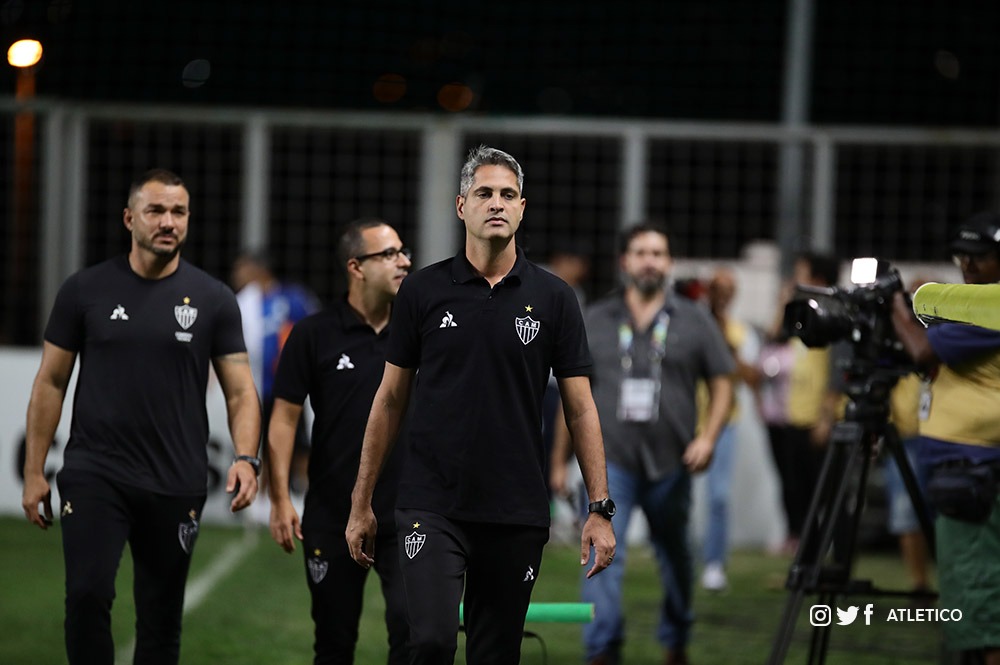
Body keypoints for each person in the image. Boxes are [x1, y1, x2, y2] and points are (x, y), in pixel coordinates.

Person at [345, 145, 616, 665]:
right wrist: (362, 501)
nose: (496, 203)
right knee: (430, 641)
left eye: (508, 195)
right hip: (431, 504)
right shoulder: (422, 290)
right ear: (461, 205)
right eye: (484, 193)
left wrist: (599, 508)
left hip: (516, 510)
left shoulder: (555, 298)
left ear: (522, 208)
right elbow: (390, 399)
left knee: (495, 654)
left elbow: (581, 408)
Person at [21, 168, 261, 665]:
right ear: (130, 219)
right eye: (156, 211)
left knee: (161, 621)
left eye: (178, 212)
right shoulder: (84, 290)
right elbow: (51, 381)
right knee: (86, 595)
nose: (168, 221)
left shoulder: (214, 299)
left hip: (177, 479)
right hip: (96, 472)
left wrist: (245, 457)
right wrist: (33, 469)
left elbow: (240, 391)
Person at [552, 222, 735, 665]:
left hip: (673, 462)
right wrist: (558, 460)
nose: (649, 261)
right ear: (625, 261)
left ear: (669, 262)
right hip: (610, 461)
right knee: (601, 547)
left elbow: (723, 382)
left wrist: (708, 438)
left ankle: (676, 637)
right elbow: (574, 396)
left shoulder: (694, 318)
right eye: (641, 252)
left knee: (676, 558)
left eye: (657, 253)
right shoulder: (596, 318)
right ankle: (602, 649)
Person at [267, 218, 412, 664]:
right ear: (356, 267)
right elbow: (284, 418)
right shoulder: (314, 334)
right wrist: (280, 498)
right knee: (333, 642)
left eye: (403, 251)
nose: (403, 262)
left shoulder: (420, 331)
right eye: (388, 254)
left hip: (409, 513)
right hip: (333, 513)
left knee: (415, 638)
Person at [891, 211, 1000, 663]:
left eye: (980, 256)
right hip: (965, 466)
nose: (967, 266)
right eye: (961, 257)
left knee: (979, 603)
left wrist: (895, 308)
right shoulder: (973, 307)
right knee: (973, 592)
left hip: (975, 469)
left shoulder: (990, 309)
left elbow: (921, 350)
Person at [758, 251, 842, 555]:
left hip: (818, 419)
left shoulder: (833, 314)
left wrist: (826, 416)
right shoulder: (801, 314)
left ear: (817, 279)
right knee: (798, 490)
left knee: (827, 491)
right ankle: (806, 552)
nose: (795, 281)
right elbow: (772, 340)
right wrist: (783, 304)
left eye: (801, 274)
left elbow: (837, 371)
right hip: (793, 415)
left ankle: (834, 553)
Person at [231, 250, 319, 503]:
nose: (237, 274)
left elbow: (314, 330)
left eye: (242, 268)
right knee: (265, 442)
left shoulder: (292, 298)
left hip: (292, 386)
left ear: (258, 269)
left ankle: (305, 493)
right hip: (260, 387)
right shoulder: (245, 303)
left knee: (300, 442)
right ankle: (266, 498)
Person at [699, 267, 759, 592]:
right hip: (686, 418)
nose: (721, 295)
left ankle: (714, 562)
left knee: (719, 496)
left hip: (722, 423)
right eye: (716, 288)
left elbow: (751, 377)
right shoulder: (692, 323)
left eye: (727, 289)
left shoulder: (739, 331)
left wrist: (724, 340)